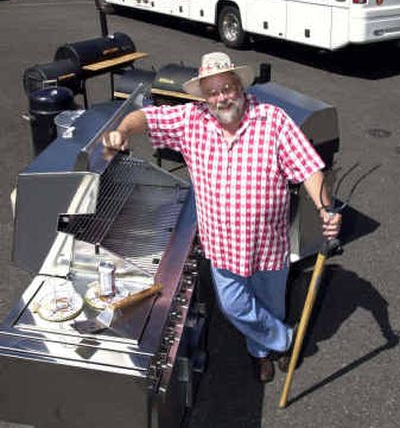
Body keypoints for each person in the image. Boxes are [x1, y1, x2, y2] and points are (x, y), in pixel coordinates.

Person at [103, 51, 341, 383]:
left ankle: (261, 353)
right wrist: (123, 130)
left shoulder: (273, 120)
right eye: (212, 92)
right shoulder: (190, 120)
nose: (221, 97)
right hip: (222, 245)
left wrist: (324, 208)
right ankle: (286, 339)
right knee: (234, 306)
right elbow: (146, 117)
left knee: (270, 304)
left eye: (227, 88)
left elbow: (309, 168)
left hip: (268, 243)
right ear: (204, 96)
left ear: (239, 85)